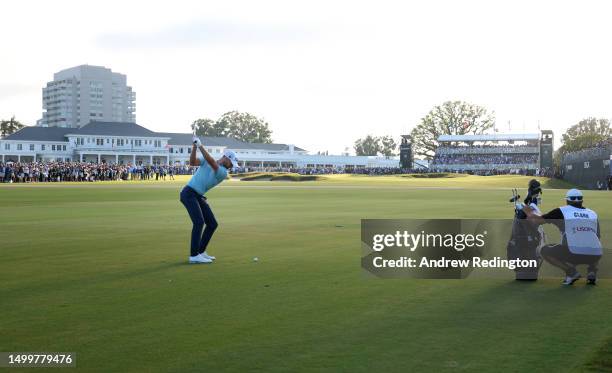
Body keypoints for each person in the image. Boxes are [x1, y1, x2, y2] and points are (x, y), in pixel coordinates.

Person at [520, 189, 602, 285]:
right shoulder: (593, 213)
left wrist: (528, 210)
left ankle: (571, 272)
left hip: (573, 253)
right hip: (595, 255)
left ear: (567, 200)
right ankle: (592, 271)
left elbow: (537, 220)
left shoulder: (561, 211)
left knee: (543, 250)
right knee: (592, 243)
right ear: (582, 200)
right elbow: (597, 236)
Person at [180, 136, 239, 264]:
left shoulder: (223, 172)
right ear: (226, 158)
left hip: (198, 195)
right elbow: (192, 162)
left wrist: (200, 146)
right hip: (189, 193)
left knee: (212, 224)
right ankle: (194, 256)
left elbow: (212, 162)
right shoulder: (207, 160)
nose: (231, 166)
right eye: (231, 163)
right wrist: (194, 147)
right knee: (199, 222)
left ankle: (200, 251)